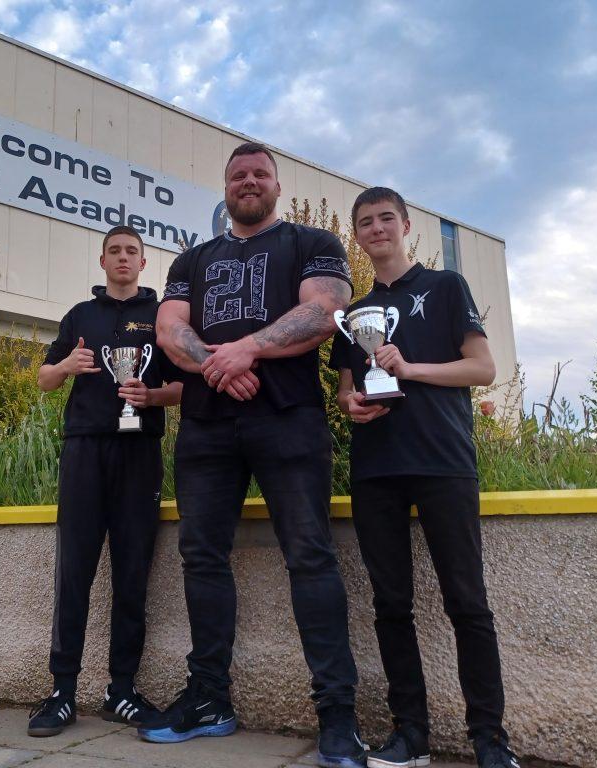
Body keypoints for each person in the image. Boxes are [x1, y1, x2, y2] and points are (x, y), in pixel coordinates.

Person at [144, 141, 367, 768]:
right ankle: (210, 700)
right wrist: (226, 363)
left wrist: (245, 350)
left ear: (276, 185)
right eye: (237, 175)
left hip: (288, 421)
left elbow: (324, 310)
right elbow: (169, 330)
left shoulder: (312, 243)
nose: (248, 182)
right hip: (209, 428)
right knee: (201, 557)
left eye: (259, 174)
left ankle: (338, 716)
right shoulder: (192, 259)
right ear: (225, 187)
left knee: (310, 556)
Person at [329, 187, 519, 768]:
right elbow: (342, 390)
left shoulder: (444, 288)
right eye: (366, 222)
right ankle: (409, 736)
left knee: (468, 604)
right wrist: (350, 405)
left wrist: (409, 369)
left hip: (443, 463)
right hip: (377, 469)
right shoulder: (353, 314)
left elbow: (482, 367)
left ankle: (489, 740)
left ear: (406, 225)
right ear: (357, 236)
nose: (377, 229)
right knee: (391, 607)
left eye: (387, 218)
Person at [27, 225, 182, 737]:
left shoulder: (163, 315)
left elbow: (185, 384)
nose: (122, 258)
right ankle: (61, 692)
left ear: (143, 262)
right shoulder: (80, 316)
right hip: (84, 451)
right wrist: (67, 365)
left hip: (139, 454)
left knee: (132, 574)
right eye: (114, 251)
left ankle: (122, 690)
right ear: (102, 261)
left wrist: (152, 398)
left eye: (131, 252)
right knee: (74, 571)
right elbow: (44, 379)